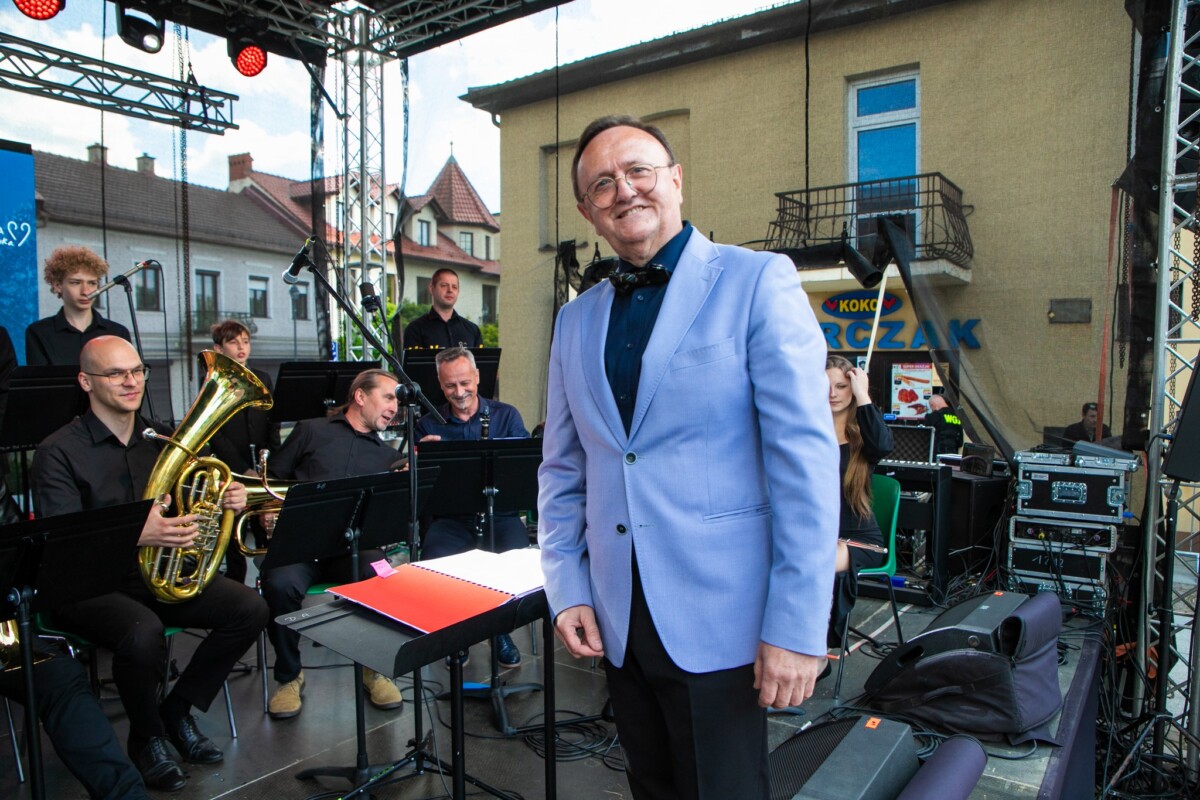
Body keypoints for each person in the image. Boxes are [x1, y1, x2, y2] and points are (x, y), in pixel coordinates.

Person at [537, 115, 840, 799]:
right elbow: (563, 469)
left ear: (675, 179)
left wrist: (798, 625)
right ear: (587, 210)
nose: (624, 190)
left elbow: (804, 464)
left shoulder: (758, 280)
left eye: (638, 170)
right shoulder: (574, 319)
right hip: (617, 617)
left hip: (725, 617)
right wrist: (568, 586)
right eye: (602, 183)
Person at [29, 336, 269, 792]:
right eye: (116, 373)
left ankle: (176, 711)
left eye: (137, 370)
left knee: (250, 609)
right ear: (86, 382)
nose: (131, 381)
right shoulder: (57, 451)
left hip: (151, 576)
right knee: (143, 632)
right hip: (87, 586)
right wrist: (136, 533)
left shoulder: (161, 440)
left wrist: (228, 498)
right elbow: (62, 542)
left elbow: (194, 497)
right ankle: (146, 739)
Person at [261, 368, 406, 719]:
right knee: (278, 583)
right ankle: (289, 676)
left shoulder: (387, 457)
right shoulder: (311, 430)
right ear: (360, 396)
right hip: (300, 547)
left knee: (383, 577)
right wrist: (266, 510)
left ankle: (375, 668)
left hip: (351, 549)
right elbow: (271, 479)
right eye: (388, 397)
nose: (395, 408)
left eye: (397, 402)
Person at [414, 345, 530, 668]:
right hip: (453, 518)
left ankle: (499, 630)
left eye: (465, 383)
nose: (459, 392)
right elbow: (418, 486)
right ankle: (459, 634)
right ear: (440, 385)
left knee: (516, 558)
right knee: (435, 561)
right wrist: (422, 457)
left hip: (500, 514)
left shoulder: (506, 415)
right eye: (450, 385)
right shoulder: (427, 424)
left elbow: (523, 469)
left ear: (478, 377)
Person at [825, 356, 894, 651]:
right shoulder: (808, 433)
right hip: (818, 536)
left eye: (841, 386)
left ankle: (818, 646)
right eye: (825, 385)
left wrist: (863, 393)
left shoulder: (863, 436)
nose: (832, 393)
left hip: (860, 541)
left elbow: (884, 446)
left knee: (812, 561)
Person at [205, 320, 282, 584]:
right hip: (232, 469)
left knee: (265, 526)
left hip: (262, 466)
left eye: (246, 342)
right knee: (233, 531)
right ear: (219, 348)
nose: (241, 347)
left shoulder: (263, 377)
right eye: (233, 342)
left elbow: (272, 420)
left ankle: (269, 581)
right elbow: (216, 434)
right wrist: (242, 469)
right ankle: (235, 585)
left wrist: (271, 463)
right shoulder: (213, 381)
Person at [25, 246, 131, 366]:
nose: (86, 291)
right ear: (57, 286)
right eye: (75, 283)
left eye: (92, 283)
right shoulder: (39, 332)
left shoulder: (118, 332)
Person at [399, 268, 483, 349]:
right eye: (444, 285)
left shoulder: (473, 330)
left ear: (458, 292)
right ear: (431, 289)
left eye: (454, 287)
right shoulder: (415, 329)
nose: (450, 290)